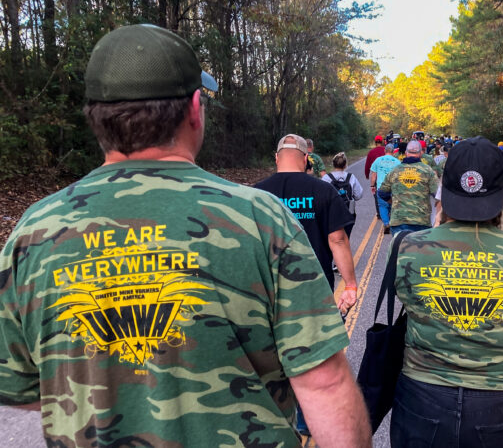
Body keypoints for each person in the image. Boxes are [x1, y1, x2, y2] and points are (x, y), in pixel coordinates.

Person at [0, 24, 371, 448]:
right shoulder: (260, 218)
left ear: (94, 117)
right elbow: (322, 385)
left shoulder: (34, 231)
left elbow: (21, 385)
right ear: (195, 108)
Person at [390, 136, 503, 448]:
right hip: (500, 399)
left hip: (423, 393)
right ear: (500, 191)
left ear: (444, 190)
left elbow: (407, 297)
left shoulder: (407, 245)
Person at [253, 135, 358, 312]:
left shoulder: (257, 193)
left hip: (269, 289)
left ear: (277, 158)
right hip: (316, 288)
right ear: (305, 159)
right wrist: (350, 285)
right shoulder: (324, 190)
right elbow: (338, 240)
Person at [378, 140, 439, 235]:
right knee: (419, 250)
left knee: (399, 249)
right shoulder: (428, 171)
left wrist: (393, 201)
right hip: (421, 221)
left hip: (399, 220)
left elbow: (382, 192)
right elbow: (438, 194)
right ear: (420, 154)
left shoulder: (395, 170)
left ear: (406, 153)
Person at [322, 152, 363, 239]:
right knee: (345, 237)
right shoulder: (351, 177)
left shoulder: (326, 178)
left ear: (333, 164)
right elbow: (359, 195)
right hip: (348, 212)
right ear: (345, 165)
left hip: (332, 213)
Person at [370, 144, 402, 234]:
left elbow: (373, 175)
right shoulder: (398, 162)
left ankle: (386, 223)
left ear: (385, 151)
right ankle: (392, 222)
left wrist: (372, 186)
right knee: (393, 205)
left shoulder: (378, 160)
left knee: (382, 206)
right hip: (393, 188)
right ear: (393, 152)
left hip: (381, 187)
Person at [365, 135, 387, 219]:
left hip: (376, 176)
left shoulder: (371, 152)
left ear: (375, 142)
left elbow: (367, 165)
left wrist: (367, 174)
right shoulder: (385, 151)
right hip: (386, 175)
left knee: (376, 194)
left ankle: (379, 213)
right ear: (381, 142)